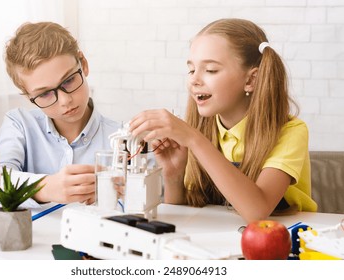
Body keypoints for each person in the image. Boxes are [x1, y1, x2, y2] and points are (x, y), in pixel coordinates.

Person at [129, 18, 317, 222]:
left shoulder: (290, 132)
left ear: (250, 80)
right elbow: (185, 216)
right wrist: (173, 175)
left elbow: (257, 211)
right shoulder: (200, 127)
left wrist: (195, 140)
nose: (194, 79)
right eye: (191, 70)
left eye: (210, 70)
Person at [0, 22, 120, 205]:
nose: (65, 101)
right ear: (29, 96)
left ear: (83, 64)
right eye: (44, 94)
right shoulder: (19, 124)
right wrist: (44, 188)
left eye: (68, 80)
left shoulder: (121, 139)